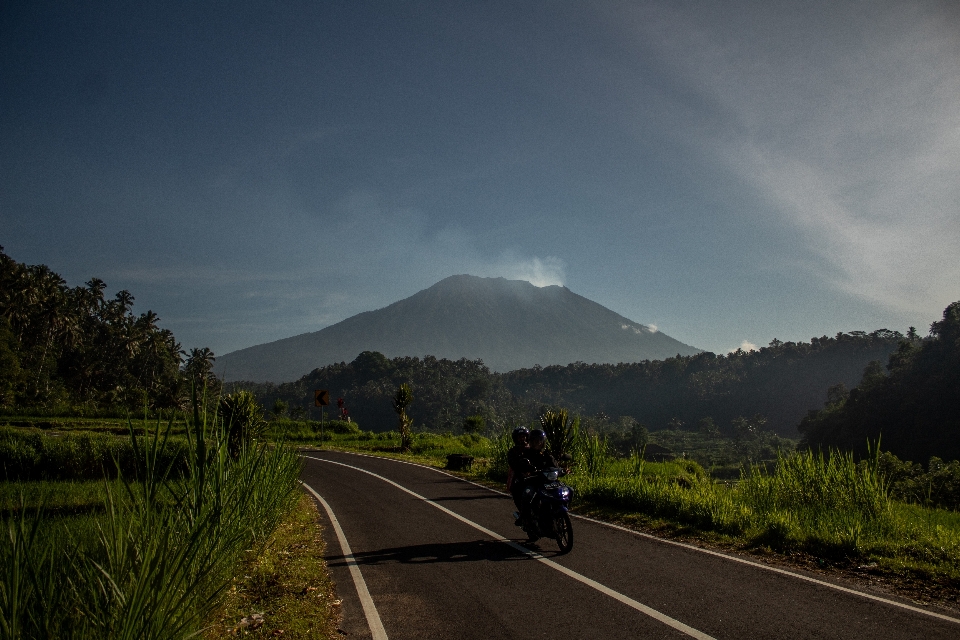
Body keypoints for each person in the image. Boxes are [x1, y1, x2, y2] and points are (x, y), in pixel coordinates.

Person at [515, 429, 558, 525]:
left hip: (548, 482)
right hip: (534, 482)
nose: (537, 443)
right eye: (535, 441)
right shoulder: (527, 454)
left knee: (567, 490)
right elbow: (521, 464)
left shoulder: (546, 454)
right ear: (531, 441)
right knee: (528, 494)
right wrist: (527, 469)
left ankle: (558, 514)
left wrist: (561, 470)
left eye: (540, 440)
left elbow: (555, 466)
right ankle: (524, 517)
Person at [506, 427, 529, 518]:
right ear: (516, 439)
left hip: (535, 475)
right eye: (520, 437)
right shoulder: (512, 451)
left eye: (523, 437)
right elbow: (513, 464)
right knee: (516, 490)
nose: (522, 439)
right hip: (521, 476)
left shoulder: (533, 449)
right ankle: (523, 514)